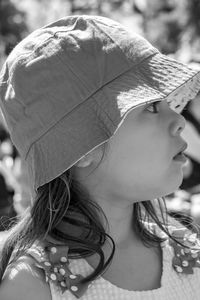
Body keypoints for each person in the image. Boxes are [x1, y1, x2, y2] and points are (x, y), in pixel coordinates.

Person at [0, 15, 200, 300]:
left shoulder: (186, 254)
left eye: (170, 102)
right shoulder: (34, 286)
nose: (178, 120)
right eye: (153, 107)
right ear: (82, 146)